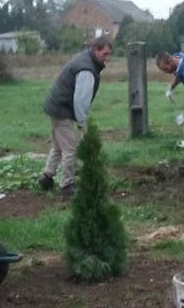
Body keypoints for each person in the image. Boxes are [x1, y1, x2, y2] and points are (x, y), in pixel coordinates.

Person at [38, 36, 113, 198]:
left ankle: (46, 177)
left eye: (108, 54)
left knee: (58, 146)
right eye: (104, 54)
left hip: (55, 105)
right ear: (95, 50)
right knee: (70, 148)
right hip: (62, 109)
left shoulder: (85, 58)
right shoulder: (87, 69)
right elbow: (80, 100)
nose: (107, 58)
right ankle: (67, 185)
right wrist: (82, 123)